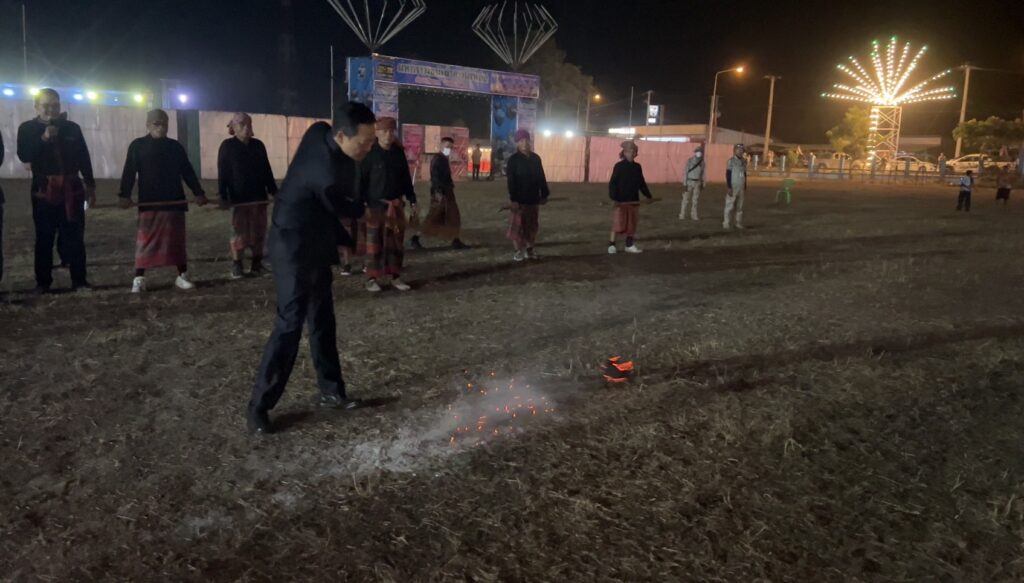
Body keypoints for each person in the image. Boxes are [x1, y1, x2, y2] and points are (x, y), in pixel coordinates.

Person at [247, 102, 376, 435]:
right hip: (292, 244)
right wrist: (366, 212)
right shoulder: (327, 174)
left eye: (371, 141)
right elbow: (344, 207)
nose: (368, 148)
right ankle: (259, 406)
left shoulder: (319, 130)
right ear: (342, 136)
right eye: (364, 143)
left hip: (317, 239)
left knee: (322, 318)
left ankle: (331, 391)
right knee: (290, 323)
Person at [118, 109, 209, 293]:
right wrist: (124, 195)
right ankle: (139, 278)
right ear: (148, 125)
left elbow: (187, 171)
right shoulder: (138, 146)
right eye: (156, 124)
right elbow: (129, 171)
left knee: (176, 242)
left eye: (164, 124)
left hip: (174, 201)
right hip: (149, 202)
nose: (161, 127)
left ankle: (182, 275)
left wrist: (198, 192)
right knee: (145, 241)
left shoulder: (175, 147)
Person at [17, 88, 96, 293]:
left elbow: (84, 157)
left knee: (75, 236)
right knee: (44, 237)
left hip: (72, 189)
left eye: (55, 105)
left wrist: (90, 185)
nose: (51, 109)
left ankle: (79, 281)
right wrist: (44, 138)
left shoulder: (72, 128)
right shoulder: (27, 129)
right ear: (36, 106)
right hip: (44, 190)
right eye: (46, 105)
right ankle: (43, 283)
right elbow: (25, 155)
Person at [358, 116, 417, 292]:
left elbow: (406, 178)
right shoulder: (369, 153)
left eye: (391, 131)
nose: (388, 135)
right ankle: (371, 279)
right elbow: (361, 180)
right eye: (384, 131)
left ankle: (395, 277)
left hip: (396, 206)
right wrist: (361, 202)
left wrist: (412, 199)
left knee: (396, 244)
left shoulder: (398, 153)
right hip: (375, 207)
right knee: (374, 243)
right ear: (377, 133)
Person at [217, 112, 277, 279]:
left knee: (259, 231)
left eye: (248, 124)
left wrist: (273, 190)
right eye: (242, 125)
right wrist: (223, 195)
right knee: (238, 232)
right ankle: (237, 265)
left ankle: (256, 265)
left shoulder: (258, 146)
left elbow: (266, 170)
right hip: (239, 199)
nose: (246, 128)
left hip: (258, 197)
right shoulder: (227, 146)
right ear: (234, 128)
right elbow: (223, 172)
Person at [505, 129, 550, 261]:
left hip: (533, 198)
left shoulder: (536, 159)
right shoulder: (513, 160)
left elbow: (541, 177)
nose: (524, 143)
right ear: (517, 143)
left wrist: (544, 194)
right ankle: (518, 251)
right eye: (521, 141)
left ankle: (530, 250)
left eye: (526, 140)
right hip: (519, 200)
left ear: (529, 141)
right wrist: (514, 199)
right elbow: (511, 181)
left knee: (532, 227)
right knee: (517, 227)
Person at [421, 136, 467, 249]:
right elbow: (435, 176)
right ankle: (416, 237)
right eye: (447, 147)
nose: (449, 149)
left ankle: (455, 240)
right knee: (435, 217)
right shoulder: (438, 159)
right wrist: (439, 191)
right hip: (442, 192)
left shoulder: (443, 159)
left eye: (451, 147)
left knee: (451, 216)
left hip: (445, 191)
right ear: (441, 146)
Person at [608, 140, 652, 254]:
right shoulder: (618, 166)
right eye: (629, 151)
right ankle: (612, 245)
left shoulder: (637, 167)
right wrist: (614, 198)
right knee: (618, 223)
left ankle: (629, 245)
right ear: (624, 153)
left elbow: (641, 183)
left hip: (633, 200)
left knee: (631, 224)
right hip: (620, 201)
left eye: (633, 151)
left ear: (636, 153)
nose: (631, 154)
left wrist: (648, 195)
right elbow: (613, 183)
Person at [724, 143, 747, 230]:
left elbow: (744, 173)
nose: (740, 151)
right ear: (734, 151)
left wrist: (745, 185)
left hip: (741, 187)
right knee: (729, 206)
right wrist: (729, 187)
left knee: (739, 207)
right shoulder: (731, 161)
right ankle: (726, 223)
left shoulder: (744, 161)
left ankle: (738, 223)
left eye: (742, 150)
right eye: (738, 150)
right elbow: (728, 174)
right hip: (733, 186)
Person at [680, 145, 705, 221]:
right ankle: (682, 214)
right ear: (695, 152)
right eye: (698, 151)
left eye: (700, 152)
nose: (699, 153)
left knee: (695, 200)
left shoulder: (702, 162)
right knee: (685, 199)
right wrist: (684, 184)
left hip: (697, 182)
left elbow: (703, 173)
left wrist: (703, 183)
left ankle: (694, 215)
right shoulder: (690, 161)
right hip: (689, 182)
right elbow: (685, 172)